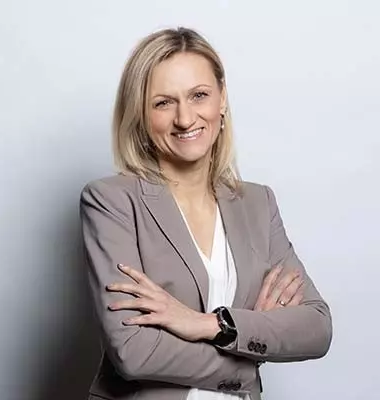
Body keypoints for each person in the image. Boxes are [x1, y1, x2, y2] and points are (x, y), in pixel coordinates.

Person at [80, 27, 332, 400]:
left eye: (199, 95)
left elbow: (316, 328)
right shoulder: (112, 201)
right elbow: (133, 352)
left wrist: (211, 324)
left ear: (222, 98)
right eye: (163, 103)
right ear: (140, 114)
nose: (185, 118)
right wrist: (247, 362)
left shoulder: (257, 203)